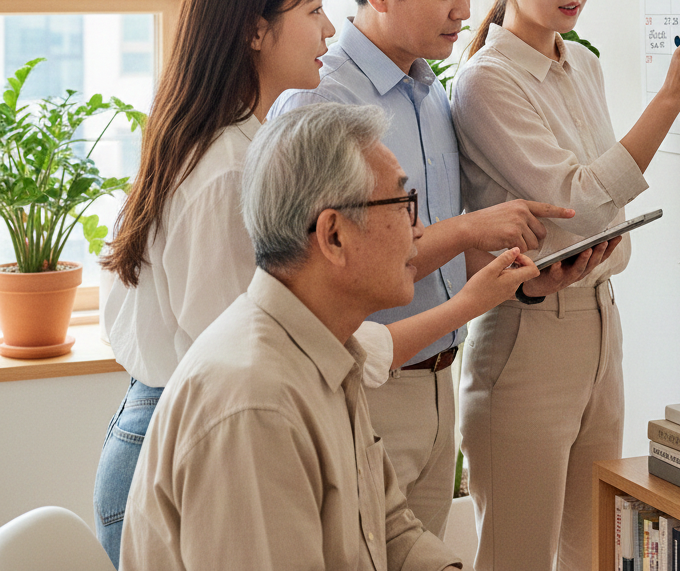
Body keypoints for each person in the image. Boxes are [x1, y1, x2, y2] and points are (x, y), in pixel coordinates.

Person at [96, 0, 533, 567]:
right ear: (254, 29)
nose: (329, 30)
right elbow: (247, 350)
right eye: (311, 10)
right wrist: (466, 298)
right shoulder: (228, 176)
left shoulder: (247, 146)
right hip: (185, 442)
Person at [270, 0, 573, 537]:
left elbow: (439, 246)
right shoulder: (321, 104)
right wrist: (470, 228)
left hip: (442, 383)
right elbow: (323, 271)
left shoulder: (427, 89)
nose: (465, 9)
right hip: (369, 387)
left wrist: (520, 276)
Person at [120, 103, 537, 571]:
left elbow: (389, 526)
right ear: (333, 235)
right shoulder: (257, 402)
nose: (418, 231)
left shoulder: (331, 349)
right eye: (403, 206)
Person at [451, 0, 680, 571]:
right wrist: (669, 100)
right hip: (528, 337)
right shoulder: (486, 80)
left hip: (601, 320)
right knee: (515, 555)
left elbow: (605, 209)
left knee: (593, 550)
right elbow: (580, 202)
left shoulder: (584, 66)